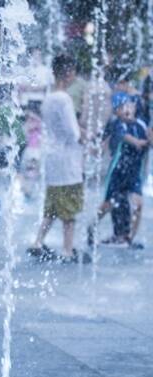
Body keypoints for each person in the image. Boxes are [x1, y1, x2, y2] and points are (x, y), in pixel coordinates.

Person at [27, 54, 85, 263]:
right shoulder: (64, 98)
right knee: (69, 207)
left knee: (51, 206)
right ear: (68, 73)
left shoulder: (49, 97)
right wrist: (83, 134)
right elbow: (73, 133)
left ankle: (37, 242)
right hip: (67, 158)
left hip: (51, 156)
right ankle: (68, 251)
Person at [87, 93, 148, 249]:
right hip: (117, 171)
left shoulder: (141, 124)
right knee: (108, 204)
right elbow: (125, 137)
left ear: (134, 107)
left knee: (138, 204)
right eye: (120, 107)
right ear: (116, 112)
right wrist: (139, 142)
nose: (125, 109)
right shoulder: (117, 124)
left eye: (128, 105)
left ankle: (128, 238)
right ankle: (91, 227)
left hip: (134, 172)